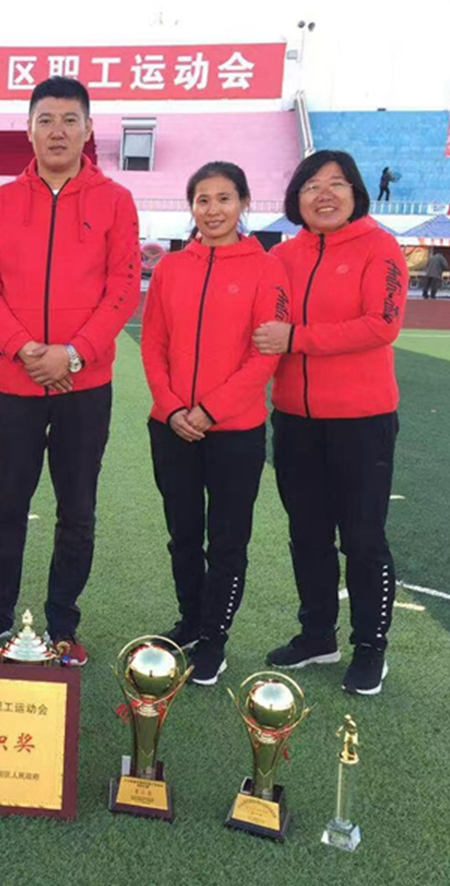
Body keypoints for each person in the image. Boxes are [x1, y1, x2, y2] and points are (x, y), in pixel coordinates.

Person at [0, 78, 140, 666]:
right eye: (46, 119)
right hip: (14, 383)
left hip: (83, 387)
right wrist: (24, 349)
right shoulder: (2, 200)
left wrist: (74, 354)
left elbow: (122, 289)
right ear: (29, 129)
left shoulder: (115, 200)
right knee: (6, 506)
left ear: (89, 130)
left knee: (77, 510)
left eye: (69, 119)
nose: (57, 131)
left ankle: (63, 622)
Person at [253, 149, 407, 696]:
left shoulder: (380, 247)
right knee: (307, 534)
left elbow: (381, 324)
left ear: (356, 193)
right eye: (311, 185)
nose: (324, 194)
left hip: (362, 422)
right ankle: (318, 635)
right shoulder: (280, 256)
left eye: (337, 183)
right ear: (295, 198)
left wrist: (297, 338)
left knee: (362, 538)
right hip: (295, 419)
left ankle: (370, 647)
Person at [141, 162, 290, 686]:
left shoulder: (267, 268)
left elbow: (264, 355)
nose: (212, 209)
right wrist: (172, 407)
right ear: (191, 207)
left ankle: (214, 638)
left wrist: (210, 410)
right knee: (182, 534)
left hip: (235, 432)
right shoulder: (171, 268)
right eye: (202, 199)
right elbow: (153, 343)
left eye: (224, 198)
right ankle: (190, 621)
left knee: (226, 541)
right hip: (171, 427)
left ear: (244, 202)